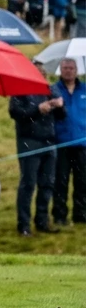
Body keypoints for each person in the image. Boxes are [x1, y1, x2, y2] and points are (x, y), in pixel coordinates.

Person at [9, 74, 62, 236]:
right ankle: (24, 225)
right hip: (29, 142)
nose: (41, 76)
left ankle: (42, 221)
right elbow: (15, 112)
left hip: (49, 141)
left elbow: (61, 116)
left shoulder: (50, 88)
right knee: (28, 184)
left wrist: (60, 105)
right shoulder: (20, 89)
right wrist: (37, 110)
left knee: (47, 184)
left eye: (42, 73)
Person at [52, 59, 86, 227]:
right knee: (61, 182)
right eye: (65, 68)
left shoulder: (84, 89)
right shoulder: (54, 89)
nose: (68, 71)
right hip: (62, 143)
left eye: (71, 68)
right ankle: (59, 215)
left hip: (82, 144)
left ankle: (81, 214)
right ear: (60, 70)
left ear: (77, 70)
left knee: (82, 182)